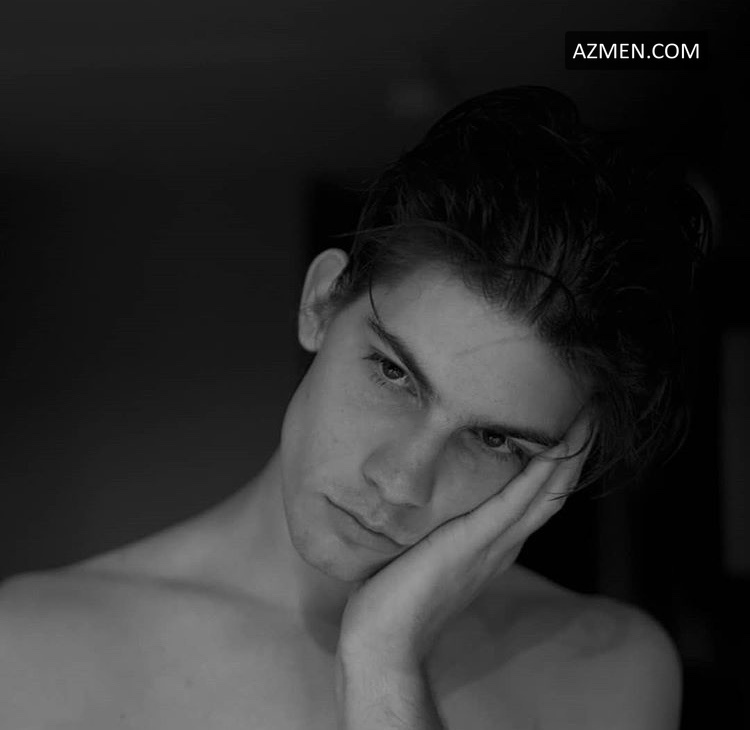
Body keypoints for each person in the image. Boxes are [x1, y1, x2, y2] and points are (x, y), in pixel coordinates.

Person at [0, 86, 709, 729]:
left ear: (558, 465)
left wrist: (383, 664)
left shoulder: (606, 670)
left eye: (494, 441)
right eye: (394, 374)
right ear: (320, 303)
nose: (400, 482)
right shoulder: (28, 650)